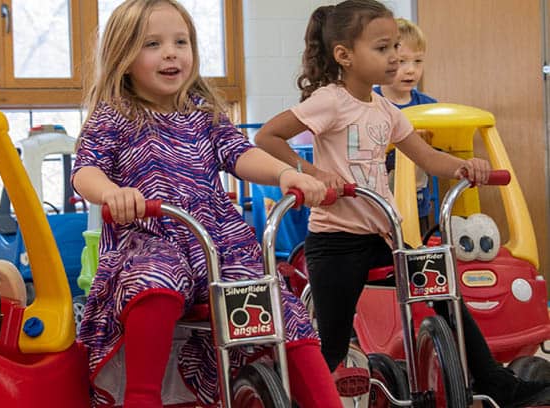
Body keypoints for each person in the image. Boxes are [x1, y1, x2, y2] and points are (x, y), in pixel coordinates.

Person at [254, 1, 550, 407]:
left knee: (445, 295)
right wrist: (310, 173)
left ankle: (495, 382)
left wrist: (466, 166)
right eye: (382, 48)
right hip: (335, 241)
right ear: (345, 55)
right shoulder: (330, 100)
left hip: (382, 237)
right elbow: (268, 137)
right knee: (334, 345)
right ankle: (306, 397)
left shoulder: (386, 110)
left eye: (396, 46)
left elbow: (428, 158)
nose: (394, 56)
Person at [71, 1, 341, 407]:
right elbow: (85, 170)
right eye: (152, 43)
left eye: (181, 42)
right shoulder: (115, 116)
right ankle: (142, 397)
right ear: (124, 58)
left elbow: (240, 154)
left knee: (275, 300)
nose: (171, 52)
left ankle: (325, 400)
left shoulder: (204, 115)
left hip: (217, 241)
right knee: (153, 281)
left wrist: (286, 174)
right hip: (151, 235)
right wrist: (112, 193)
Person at [375, 18, 436, 232]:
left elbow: (440, 152)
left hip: (418, 207)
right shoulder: (371, 103)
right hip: (378, 209)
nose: (411, 70)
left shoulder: (429, 107)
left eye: (418, 62)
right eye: (402, 62)